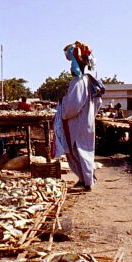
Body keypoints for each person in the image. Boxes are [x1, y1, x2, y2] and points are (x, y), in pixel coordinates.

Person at [54, 41, 102, 191]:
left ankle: (87, 182)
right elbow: (98, 103)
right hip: (85, 121)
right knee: (84, 150)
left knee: (78, 151)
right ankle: (85, 179)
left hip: (77, 123)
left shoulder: (80, 81)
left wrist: (63, 104)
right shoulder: (92, 81)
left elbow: (73, 105)